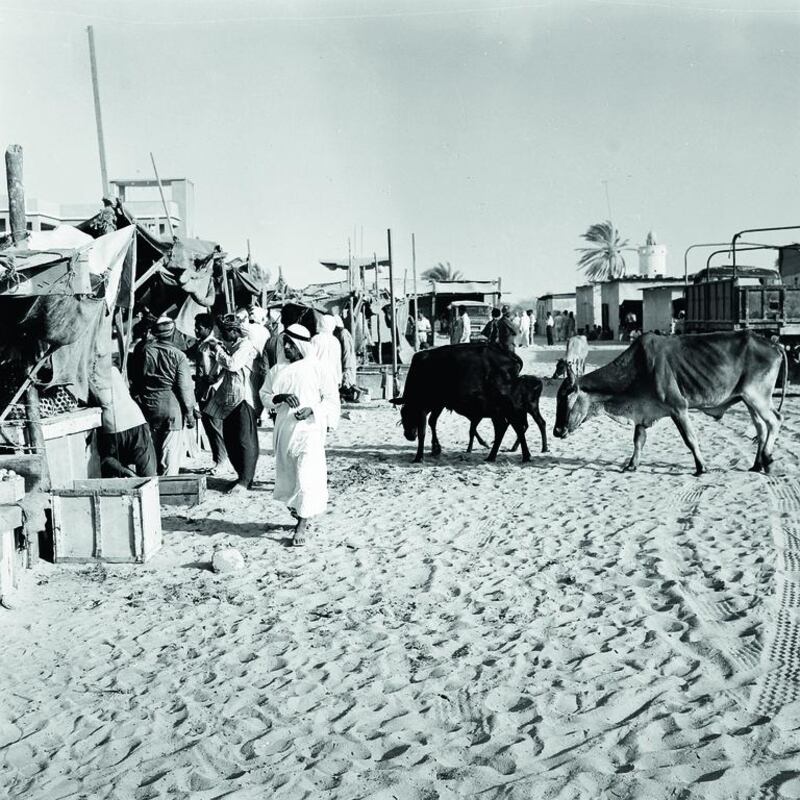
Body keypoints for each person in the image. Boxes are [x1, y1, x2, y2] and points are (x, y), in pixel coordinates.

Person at [261, 324, 339, 546]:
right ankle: (301, 511)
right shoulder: (277, 371)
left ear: (301, 346)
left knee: (306, 477)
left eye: (291, 344)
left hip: (310, 431)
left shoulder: (318, 368)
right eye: (284, 343)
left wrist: (313, 409)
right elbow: (265, 396)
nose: (286, 347)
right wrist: (280, 398)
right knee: (291, 477)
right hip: (285, 431)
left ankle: (302, 525)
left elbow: (332, 400)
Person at [130, 317, 195, 476]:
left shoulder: (144, 350)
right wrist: (190, 413)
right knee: (170, 453)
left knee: (152, 448)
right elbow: (184, 388)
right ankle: (167, 487)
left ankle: (152, 483)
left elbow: (135, 378)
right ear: (172, 335)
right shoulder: (178, 355)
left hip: (148, 404)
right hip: (170, 406)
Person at [204, 315, 260, 493]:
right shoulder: (230, 345)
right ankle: (240, 476)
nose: (223, 334)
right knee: (231, 438)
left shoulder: (245, 345)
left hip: (243, 397)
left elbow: (233, 364)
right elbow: (225, 368)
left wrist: (217, 349)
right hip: (228, 397)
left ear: (236, 331)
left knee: (245, 440)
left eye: (227, 331)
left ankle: (245, 480)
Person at [95, 366, 157, 478]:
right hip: (134, 418)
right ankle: (145, 482)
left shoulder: (89, 374)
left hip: (110, 425)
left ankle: (126, 472)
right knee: (147, 469)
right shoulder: (114, 370)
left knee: (107, 457)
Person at [192, 313, 229, 475]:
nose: (196, 330)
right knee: (209, 426)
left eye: (199, 328)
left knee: (215, 426)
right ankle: (218, 459)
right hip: (203, 389)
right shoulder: (202, 344)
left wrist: (216, 378)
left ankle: (222, 461)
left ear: (208, 328)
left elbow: (227, 363)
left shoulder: (214, 344)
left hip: (213, 390)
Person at [312, 315, 342, 430]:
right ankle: (331, 424)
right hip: (332, 374)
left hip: (318, 373)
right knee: (332, 400)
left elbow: (312, 357)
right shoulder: (335, 341)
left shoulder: (316, 339)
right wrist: (339, 377)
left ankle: (321, 421)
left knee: (319, 399)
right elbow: (337, 362)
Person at [334, 317, 358, 399]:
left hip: (347, 363)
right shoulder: (343, 333)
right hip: (347, 362)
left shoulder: (343, 334)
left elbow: (346, 351)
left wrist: (345, 367)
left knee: (347, 382)